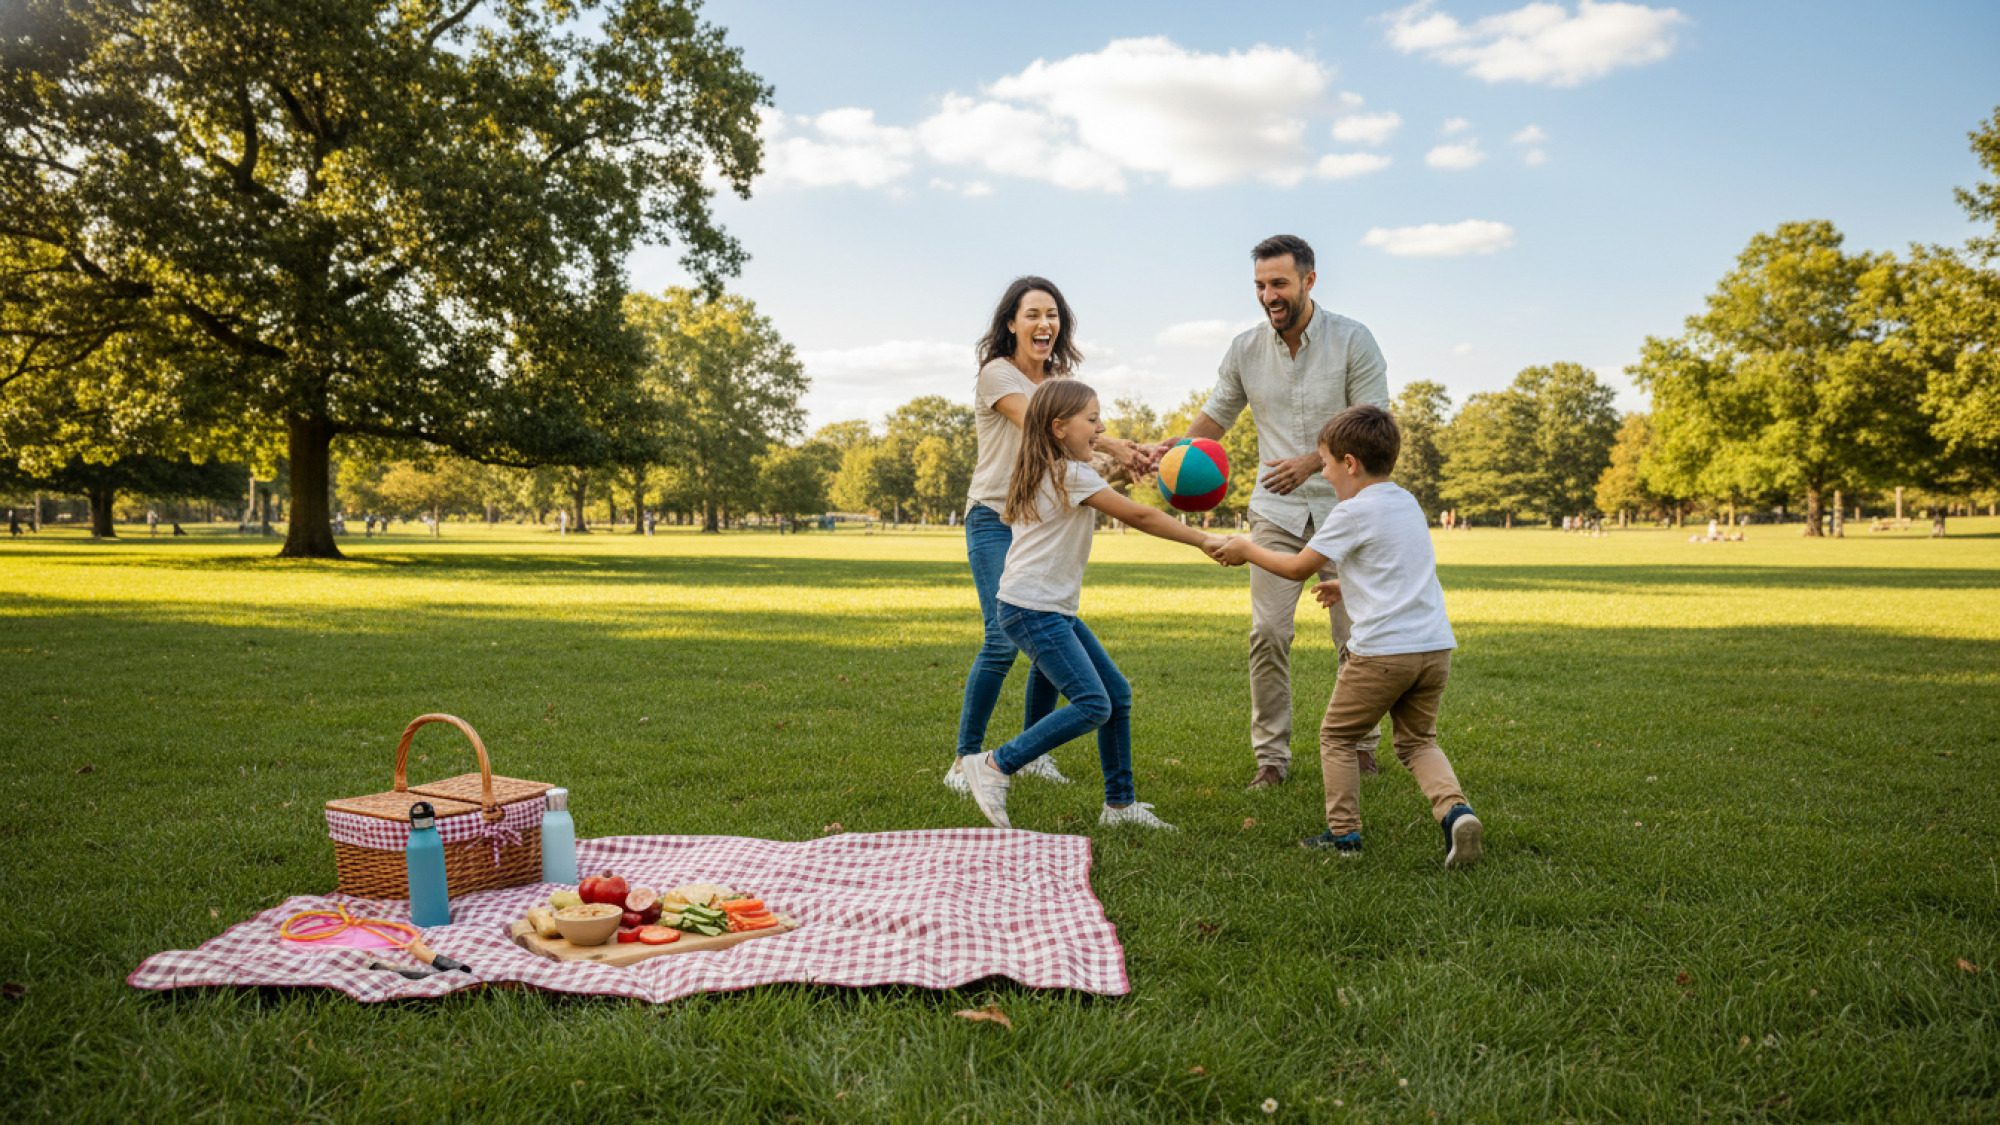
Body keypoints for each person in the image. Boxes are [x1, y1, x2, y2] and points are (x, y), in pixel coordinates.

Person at [1148, 234, 1389, 790]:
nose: (1268, 296)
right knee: (1268, 634)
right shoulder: (1244, 348)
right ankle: (1272, 759)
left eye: (1278, 284)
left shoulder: (1354, 340)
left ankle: (1360, 745)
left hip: (1346, 511)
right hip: (1275, 512)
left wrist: (1312, 462)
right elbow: (1216, 417)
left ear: (1308, 281)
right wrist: (1175, 454)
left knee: (1355, 634)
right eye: (1260, 285)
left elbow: (1374, 423)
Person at [1216, 405, 1482, 865]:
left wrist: (1247, 549)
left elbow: (1298, 566)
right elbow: (1398, 564)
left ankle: (1344, 837)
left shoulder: (1351, 512)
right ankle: (1455, 812)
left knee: (1337, 736)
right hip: (1434, 649)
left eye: (1325, 464)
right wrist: (1348, 583)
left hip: (1382, 655)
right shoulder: (1408, 502)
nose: (1325, 474)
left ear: (1350, 463)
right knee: (1418, 741)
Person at [960, 380, 1224, 833]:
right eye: (1093, 420)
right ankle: (996, 764)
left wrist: (1134, 459)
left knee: (1115, 694)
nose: (1100, 429)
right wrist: (1205, 539)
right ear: (1059, 428)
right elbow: (1140, 515)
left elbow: (1104, 482)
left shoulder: (1043, 468)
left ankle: (1119, 807)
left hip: (1041, 607)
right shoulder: (1071, 474)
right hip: (1034, 609)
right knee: (1093, 703)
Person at [946, 277, 1149, 797]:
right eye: (1033, 314)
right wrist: (1122, 445)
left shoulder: (1061, 380)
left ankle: (1028, 754)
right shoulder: (998, 375)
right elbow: (1038, 423)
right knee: (1000, 637)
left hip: (1037, 519)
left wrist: (1134, 460)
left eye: (1053, 314)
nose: (1045, 324)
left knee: (1047, 623)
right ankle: (966, 757)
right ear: (1011, 322)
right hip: (994, 516)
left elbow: (1074, 462)